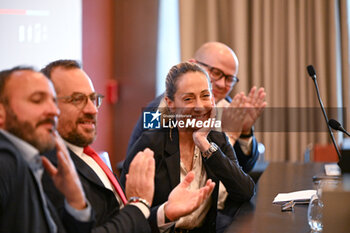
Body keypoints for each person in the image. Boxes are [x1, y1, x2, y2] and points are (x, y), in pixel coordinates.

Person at [41, 59, 215, 233]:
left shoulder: (88, 156)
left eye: (93, 99)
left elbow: (125, 222)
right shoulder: (48, 167)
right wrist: (138, 206)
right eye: (77, 99)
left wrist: (165, 213)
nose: (93, 110)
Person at [121, 62, 255, 233]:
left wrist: (205, 145)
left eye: (205, 96)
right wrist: (167, 214)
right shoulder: (151, 144)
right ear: (170, 104)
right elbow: (128, 218)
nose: (199, 106)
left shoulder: (216, 138)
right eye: (188, 99)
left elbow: (245, 190)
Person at [0, 66, 94, 233]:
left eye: (53, 101)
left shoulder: (30, 162)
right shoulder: (5, 159)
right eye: (37, 100)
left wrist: (75, 199)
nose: (54, 111)